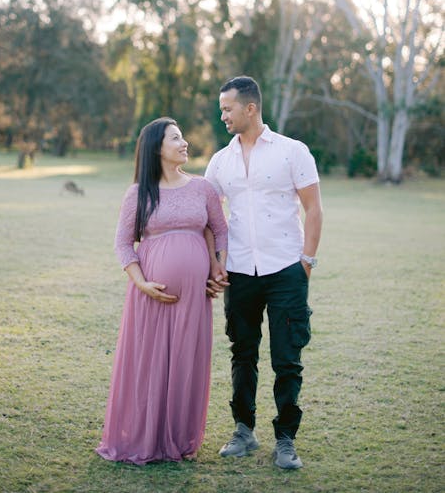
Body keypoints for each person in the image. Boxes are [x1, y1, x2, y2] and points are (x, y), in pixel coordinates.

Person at [205, 76, 322, 470]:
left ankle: (286, 439)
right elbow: (208, 215)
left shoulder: (293, 151)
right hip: (239, 272)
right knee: (242, 352)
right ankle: (243, 429)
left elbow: (314, 208)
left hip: (286, 269)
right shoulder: (220, 161)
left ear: (249, 108)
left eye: (227, 108)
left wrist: (306, 261)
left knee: (287, 358)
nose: (223, 115)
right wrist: (215, 262)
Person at [96, 117, 228, 465]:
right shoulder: (139, 192)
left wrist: (218, 266)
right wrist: (142, 283)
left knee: (186, 363)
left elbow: (220, 230)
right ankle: (145, 436)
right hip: (150, 295)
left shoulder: (202, 188)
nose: (184, 143)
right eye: (176, 138)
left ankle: (178, 437)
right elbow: (124, 245)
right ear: (157, 148)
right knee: (149, 364)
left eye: (183, 137)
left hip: (194, 299)